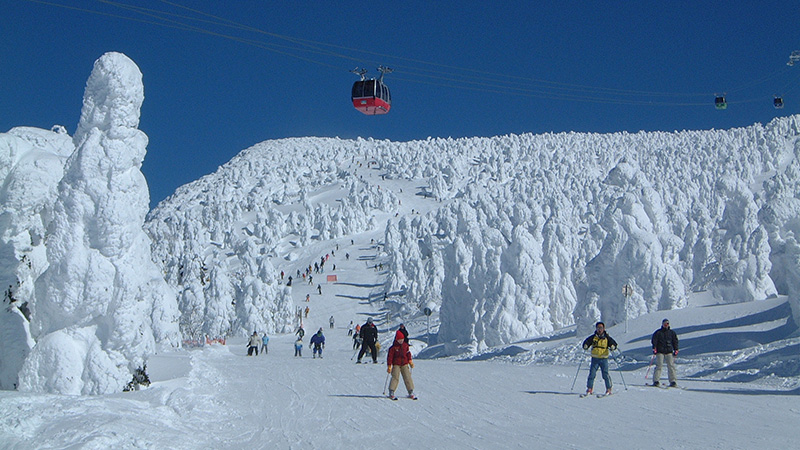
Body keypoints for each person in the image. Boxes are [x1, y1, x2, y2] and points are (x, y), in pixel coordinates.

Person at [581, 321, 617, 396]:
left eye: (601, 328)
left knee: (605, 374)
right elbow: (586, 342)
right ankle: (589, 388)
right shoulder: (593, 337)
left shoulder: (607, 338)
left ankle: (608, 389)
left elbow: (614, 343)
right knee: (592, 374)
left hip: (604, 359)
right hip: (595, 358)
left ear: (603, 329)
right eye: (598, 328)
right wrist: (586, 345)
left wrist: (613, 346)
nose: (599, 330)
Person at [386, 329, 416, 400]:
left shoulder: (405, 345)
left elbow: (408, 353)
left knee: (407, 376)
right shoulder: (393, 348)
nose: (401, 341)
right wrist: (389, 366)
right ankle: (391, 391)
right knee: (395, 377)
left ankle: (410, 391)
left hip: (404, 363)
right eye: (399, 339)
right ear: (396, 339)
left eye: (402, 339)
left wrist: (410, 361)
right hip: (396, 364)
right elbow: (390, 357)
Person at [651, 318, 679, 387]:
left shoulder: (672, 333)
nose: (666, 325)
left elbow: (675, 341)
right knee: (659, 365)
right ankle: (656, 380)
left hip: (669, 351)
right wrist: (654, 348)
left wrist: (676, 349)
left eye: (667, 323)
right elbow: (654, 340)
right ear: (662, 324)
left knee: (671, 366)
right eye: (665, 324)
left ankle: (673, 381)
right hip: (660, 351)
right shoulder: (658, 332)